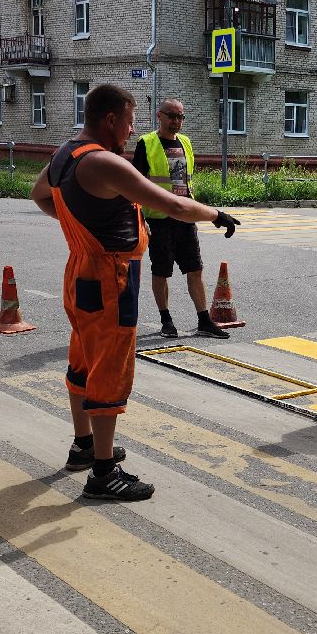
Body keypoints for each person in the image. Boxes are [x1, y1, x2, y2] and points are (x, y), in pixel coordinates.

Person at [31, 84, 240, 501]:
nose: (131, 131)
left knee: (84, 358)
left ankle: (84, 445)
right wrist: (217, 214)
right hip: (111, 277)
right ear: (110, 119)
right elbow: (175, 205)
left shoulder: (65, 153)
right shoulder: (104, 162)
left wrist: (82, 228)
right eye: (128, 122)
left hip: (81, 270)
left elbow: (40, 195)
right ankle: (104, 472)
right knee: (109, 369)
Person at [133, 97, 228, 338]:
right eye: (172, 116)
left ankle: (204, 320)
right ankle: (166, 320)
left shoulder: (185, 142)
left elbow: (187, 183)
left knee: (195, 269)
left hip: (185, 219)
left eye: (180, 117)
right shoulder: (146, 143)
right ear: (159, 116)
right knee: (161, 272)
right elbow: (135, 186)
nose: (176, 121)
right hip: (159, 221)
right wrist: (140, 218)